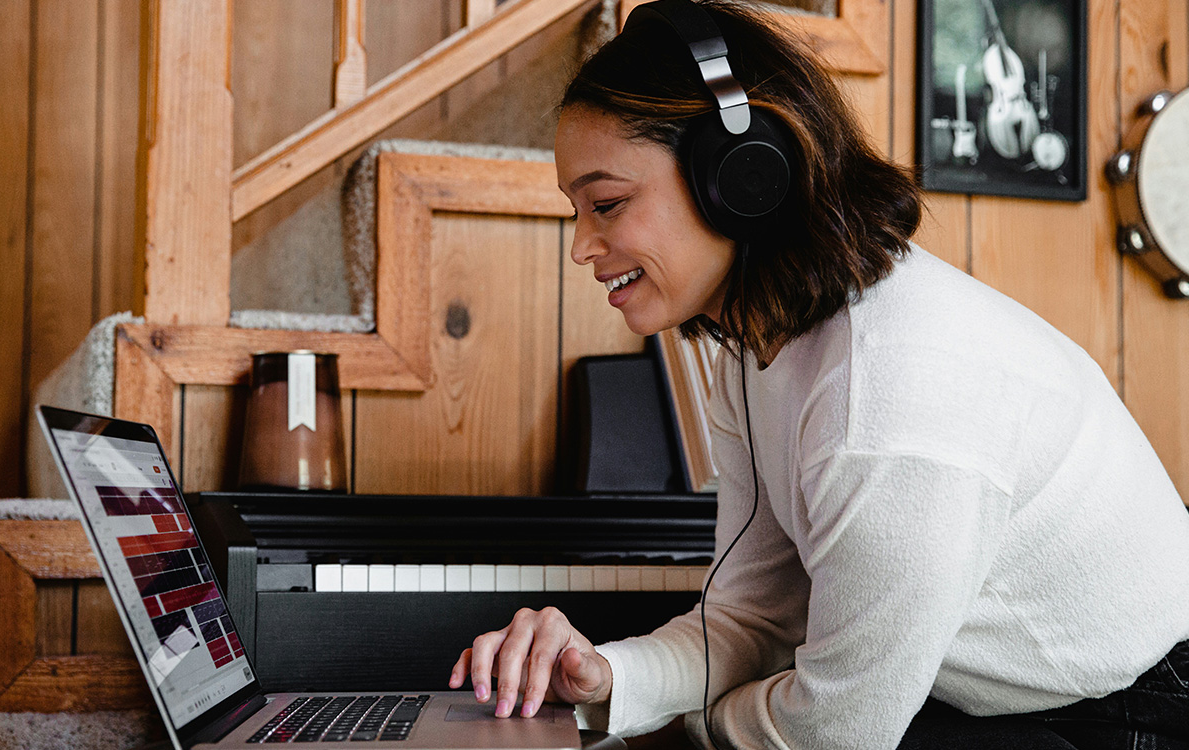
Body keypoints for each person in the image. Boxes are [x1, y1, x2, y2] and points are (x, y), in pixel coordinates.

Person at [447, 1, 1189, 747]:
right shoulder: (754, 348)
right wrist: (609, 679)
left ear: (741, 177)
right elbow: (757, 615)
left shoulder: (888, 396)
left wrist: (681, 722)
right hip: (971, 700)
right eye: (577, 211)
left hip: (1128, 713)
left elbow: (837, 734)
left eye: (606, 203)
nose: (582, 246)